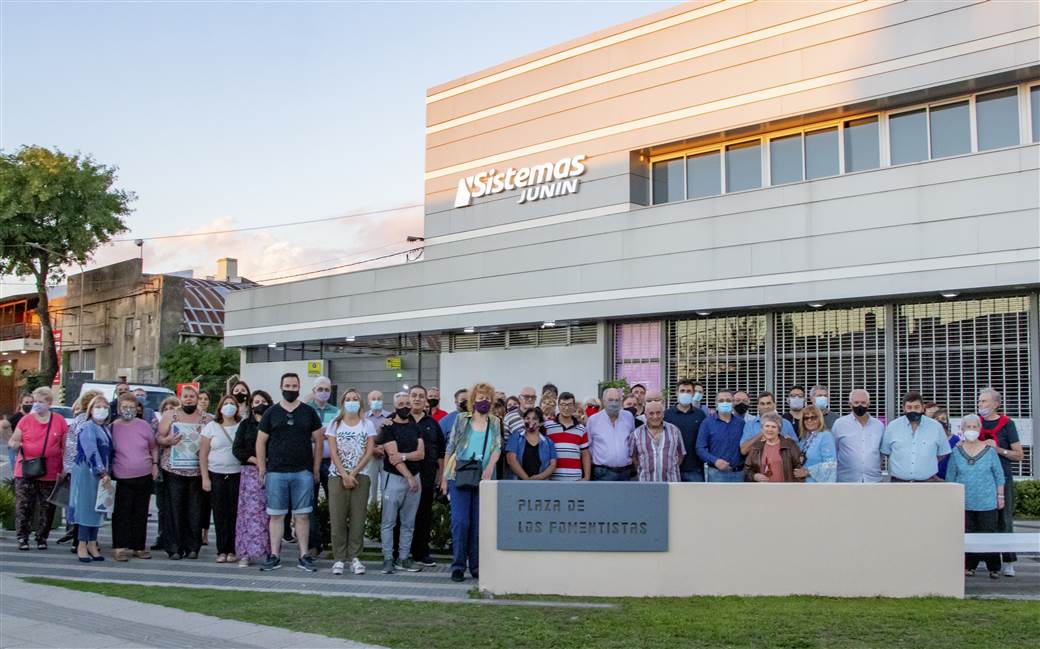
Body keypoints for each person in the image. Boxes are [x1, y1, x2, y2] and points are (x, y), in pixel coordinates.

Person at [256, 372, 325, 573]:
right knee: (276, 516)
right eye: (287, 385)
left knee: (302, 515)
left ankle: (304, 555)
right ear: (281, 387)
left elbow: (319, 441)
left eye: (294, 386)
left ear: (299, 387)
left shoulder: (308, 412)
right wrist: (262, 468)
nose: (291, 389)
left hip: (302, 471)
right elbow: (260, 441)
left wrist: (315, 467)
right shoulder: (271, 413)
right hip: (276, 472)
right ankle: (275, 555)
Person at [441, 382, 500, 582]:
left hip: (483, 478)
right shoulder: (461, 419)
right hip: (458, 475)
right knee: (460, 522)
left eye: (487, 397)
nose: (483, 401)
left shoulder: (495, 422)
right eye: (480, 397)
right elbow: (450, 447)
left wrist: (490, 466)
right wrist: (443, 478)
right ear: (473, 400)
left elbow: (497, 447)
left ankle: (475, 565)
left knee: (478, 524)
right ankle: (458, 565)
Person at [8, 386, 69, 551]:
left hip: (50, 470)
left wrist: (65, 467)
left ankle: (42, 537)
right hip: (26, 469)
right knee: (24, 505)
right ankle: (23, 537)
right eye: (35, 401)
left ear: (49, 403)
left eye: (40, 402)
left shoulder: (59, 420)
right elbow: (13, 441)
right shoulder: (26, 420)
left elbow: (66, 446)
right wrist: (17, 444)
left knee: (47, 506)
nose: (36, 405)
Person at [946, 414, 1005, 579]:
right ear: (962, 430)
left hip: (987, 500)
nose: (971, 430)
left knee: (989, 532)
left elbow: (999, 475)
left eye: (975, 427)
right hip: (964, 501)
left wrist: (1000, 496)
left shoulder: (989, 451)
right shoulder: (956, 451)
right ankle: (969, 566)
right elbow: (951, 477)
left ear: (980, 429)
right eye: (968, 427)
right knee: (967, 534)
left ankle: (993, 567)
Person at [156, 385, 211, 559]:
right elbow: (158, 437)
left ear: (197, 399)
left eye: (192, 396)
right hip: (173, 470)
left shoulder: (206, 419)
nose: (189, 399)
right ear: (180, 398)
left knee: (194, 510)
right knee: (174, 509)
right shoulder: (170, 415)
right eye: (185, 396)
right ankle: (174, 547)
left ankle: (193, 547)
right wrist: (168, 440)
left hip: (196, 471)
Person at [326, 388, 376, 576]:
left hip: (361, 476)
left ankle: (355, 557)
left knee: (358, 518)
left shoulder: (367, 424)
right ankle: (339, 558)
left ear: (360, 403)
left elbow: (369, 451)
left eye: (355, 399)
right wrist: (344, 474)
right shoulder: (334, 424)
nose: (352, 401)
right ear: (342, 403)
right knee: (338, 517)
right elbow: (332, 451)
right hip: (337, 476)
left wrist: (353, 473)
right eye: (348, 399)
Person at [379, 388, 428, 575]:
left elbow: (421, 454)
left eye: (407, 404)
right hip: (395, 479)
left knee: (409, 522)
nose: (405, 407)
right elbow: (392, 457)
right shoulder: (388, 427)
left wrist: (404, 456)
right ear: (395, 405)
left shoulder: (416, 427)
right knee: (389, 522)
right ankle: (388, 558)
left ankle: (404, 557)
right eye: (401, 404)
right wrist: (409, 477)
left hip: (415, 478)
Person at [977, 388, 1024, 577]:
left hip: (1002, 477)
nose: (981, 405)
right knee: (983, 520)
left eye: (985, 402)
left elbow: (1018, 454)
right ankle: (985, 559)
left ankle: (1009, 560)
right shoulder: (976, 424)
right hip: (980, 480)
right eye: (979, 401)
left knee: (1004, 520)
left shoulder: (1007, 424)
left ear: (996, 404)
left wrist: (998, 450)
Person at [400, 385, 445, 569]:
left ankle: (421, 553)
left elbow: (441, 452)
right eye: (414, 395)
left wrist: (441, 476)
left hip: (426, 477)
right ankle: (400, 553)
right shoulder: (399, 420)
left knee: (423, 516)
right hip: (402, 476)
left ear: (426, 400)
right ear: (409, 398)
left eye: (421, 396)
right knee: (402, 516)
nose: (417, 399)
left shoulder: (432, 424)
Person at [110, 392, 159, 561]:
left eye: (131, 407)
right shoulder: (113, 426)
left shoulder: (144, 425)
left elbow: (153, 447)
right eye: (124, 407)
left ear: (137, 408)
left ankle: (138, 546)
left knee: (140, 513)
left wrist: (155, 465)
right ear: (118, 408)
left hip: (144, 475)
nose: (128, 410)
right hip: (122, 477)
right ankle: (119, 547)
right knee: (121, 514)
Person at [231, 390, 272, 567]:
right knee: (249, 515)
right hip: (250, 473)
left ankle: (270, 552)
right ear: (251, 404)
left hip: (272, 472)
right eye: (256, 401)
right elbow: (237, 448)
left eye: (263, 401)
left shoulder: (274, 424)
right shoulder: (245, 425)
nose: (260, 404)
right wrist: (255, 459)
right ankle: (246, 553)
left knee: (271, 514)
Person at [68, 394, 111, 562]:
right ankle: (82, 544)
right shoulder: (87, 427)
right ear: (91, 410)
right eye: (97, 407)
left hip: (102, 474)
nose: (101, 410)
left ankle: (92, 542)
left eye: (104, 407)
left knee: (97, 508)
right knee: (85, 508)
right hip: (88, 471)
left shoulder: (105, 429)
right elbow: (91, 451)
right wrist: (102, 472)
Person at [57, 389, 103, 546]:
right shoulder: (85, 422)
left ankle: (81, 538)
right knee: (84, 505)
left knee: (80, 504)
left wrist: (68, 467)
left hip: (79, 468)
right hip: (86, 468)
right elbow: (77, 448)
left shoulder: (84, 420)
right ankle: (81, 540)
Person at [200, 395, 243, 564]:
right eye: (226, 403)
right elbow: (203, 454)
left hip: (236, 474)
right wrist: (205, 478)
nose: (229, 406)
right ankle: (221, 550)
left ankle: (232, 549)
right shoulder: (211, 427)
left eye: (232, 403)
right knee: (219, 514)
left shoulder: (241, 426)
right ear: (220, 407)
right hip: (215, 474)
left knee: (234, 514)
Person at [881, 391, 951, 482]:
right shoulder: (892, 427)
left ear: (923, 408)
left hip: (927, 482)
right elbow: (886, 451)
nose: (913, 410)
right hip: (898, 483)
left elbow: (942, 453)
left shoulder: (936, 427)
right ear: (904, 409)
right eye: (909, 407)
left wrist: (928, 461)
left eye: (916, 407)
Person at [306, 376, 338, 559]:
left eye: (327, 389)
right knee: (309, 505)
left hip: (331, 462)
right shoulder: (306, 410)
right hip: (309, 463)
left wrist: (324, 435)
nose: (323, 392)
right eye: (320, 389)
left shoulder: (336, 411)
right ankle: (313, 544)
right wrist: (318, 435)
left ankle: (336, 544)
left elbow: (338, 434)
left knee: (335, 504)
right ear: (314, 389)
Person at [832, 389, 885, 483]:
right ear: (850, 404)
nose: (860, 405)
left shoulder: (879, 425)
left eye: (863, 402)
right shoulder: (839, 424)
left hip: (873, 480)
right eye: (856, 402)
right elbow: (834, 451)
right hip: (846, 480)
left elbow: (881, 452)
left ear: (868, 404)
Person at [149, 396, 180, 552]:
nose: (168, 411)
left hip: (179, 471)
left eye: (172, 408)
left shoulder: (182, 426)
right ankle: (162, 535)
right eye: (165, 409)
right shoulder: (157, 427)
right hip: (161, 472)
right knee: (162, 506)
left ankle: (176, 537)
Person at [587, 388, 636, 481]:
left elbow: (632, 441)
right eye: (610, 400)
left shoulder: (628, 417)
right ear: (604, 402)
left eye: (617, 400)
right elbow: (589, 447)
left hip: (625, 472)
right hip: (602, 472)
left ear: (621, 402)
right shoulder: (593, 420)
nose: (614, 403)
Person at [696, 390, 746, 482]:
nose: (725, 403)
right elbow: (700, 448)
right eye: (721, 401)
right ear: (716, 403)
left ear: (733, 403)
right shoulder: (707, 423)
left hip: (739, 474)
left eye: (728, 400)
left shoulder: (741, 423)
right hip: (716, 473)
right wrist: (715, 461)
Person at [629, 400, 684, 482]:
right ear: (645, 415)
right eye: (651, 413)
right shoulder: (636, 434)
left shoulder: (674, 431)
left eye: (658, 413)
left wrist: (669, 467)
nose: (655, 416)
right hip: (646, 483)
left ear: (663, 414)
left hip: (671, 483)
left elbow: (681, 454)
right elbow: (634, 457)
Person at [664, 379, 707, 483]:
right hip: (672, 468)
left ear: (693, 393)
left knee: (696, 499)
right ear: (676, 393)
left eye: (688, 391)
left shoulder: (700, 415)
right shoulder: (666, 414)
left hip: (695, 468)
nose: (685, 393)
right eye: (682, 391)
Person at [745, 413, 804, 483]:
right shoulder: (756, 447)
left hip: (785, 490)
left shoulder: (790, 445)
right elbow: (747, 469)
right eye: (767, 426)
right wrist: (754, 476)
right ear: (762, 429)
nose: (770, 429)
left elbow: (799, 468)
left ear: (779, 430)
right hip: (763, 490)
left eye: (773, 427)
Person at [545, 392, 591, 481]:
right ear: (558, 406)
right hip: (553, 479)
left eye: (570, 405)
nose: (566, 408)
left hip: (575, 479)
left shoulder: (581, 429)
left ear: (574, 406)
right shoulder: (548, 426)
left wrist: (587, 477)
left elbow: (585, 454)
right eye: (563, 404)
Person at [505, 408, 557, 480]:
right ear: (523, 420)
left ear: (541, 423)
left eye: (534, 419)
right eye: (527, 418)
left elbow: (553, 465)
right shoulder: (515, 437)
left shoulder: (548, 442)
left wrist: (539, 477)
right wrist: (527, 480)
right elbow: (511, 460)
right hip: (518, 484)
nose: (530, 421)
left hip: (541, 485)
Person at [794, 405, 836, 482]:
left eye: (813, 417)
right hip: (802, 486)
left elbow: (831, 465)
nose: (809, 420)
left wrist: (808, 472)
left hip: (818, 488)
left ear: (820, 419)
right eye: (806, 418)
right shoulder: (803, 439)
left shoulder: (826, 436)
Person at [364, 390, 391, 505]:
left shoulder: (390, 416)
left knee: (387, 489)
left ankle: (385, 516)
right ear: (368, 402)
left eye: (379, 399)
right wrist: (373, 449)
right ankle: (371, 518)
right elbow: (362, 437)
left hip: (387, 456)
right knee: (371, 489)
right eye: (373, 399)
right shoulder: (363, 417)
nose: (376, 401)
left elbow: (392, 436)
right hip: (370, 457)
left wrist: (384, 448)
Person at [934, 407, 959, 480]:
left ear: (947, 422)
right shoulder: (929, 440)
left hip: (950, 479)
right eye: (937, 418)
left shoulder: (956, 440)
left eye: (943, 419)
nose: (940, 421)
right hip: (931, 479)